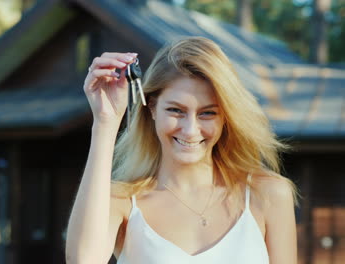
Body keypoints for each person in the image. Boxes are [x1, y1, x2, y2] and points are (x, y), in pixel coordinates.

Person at [65, 36, 299, 264]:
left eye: (208, 113)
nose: (190, 130)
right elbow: (83, 260)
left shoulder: (268, 195)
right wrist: (106, 122)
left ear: (226, 117)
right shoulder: (121, 201)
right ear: (152, 108)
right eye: (176, 110)